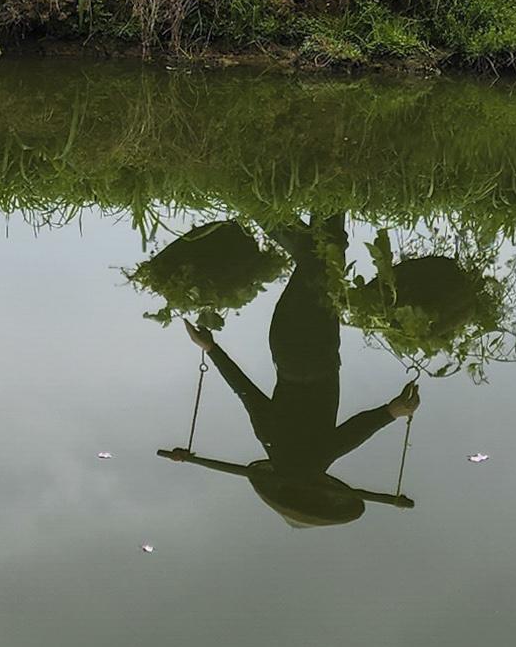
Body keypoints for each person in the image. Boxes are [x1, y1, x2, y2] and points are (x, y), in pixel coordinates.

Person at [158, 215, 420, 528]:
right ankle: (292, 198)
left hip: (309, 352)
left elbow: (353, 433)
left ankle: (268, 204)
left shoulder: (306, 461)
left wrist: (393, 412)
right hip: (294, 347)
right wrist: (211, 349)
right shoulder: (274, 443)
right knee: (322, 258)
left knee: (322, 258)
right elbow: (246, 393)